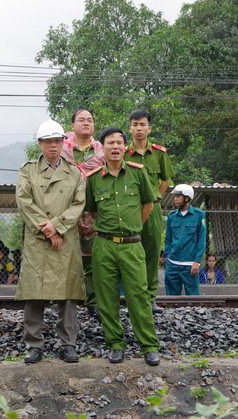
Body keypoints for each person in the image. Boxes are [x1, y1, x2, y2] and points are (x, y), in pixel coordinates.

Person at [85, 127, 160, 366]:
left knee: (138, 295)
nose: (115, 147)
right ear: (102, 148)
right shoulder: (94, 178)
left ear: (125, 147)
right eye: (110, 143)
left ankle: (148, 346)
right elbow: (93, 210)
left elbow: (148, 205)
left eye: (119, 143)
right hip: (104, 245)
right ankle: (115, 344)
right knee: (106, 298)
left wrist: (132, 226)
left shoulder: (138, 173)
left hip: (132, 246)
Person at [16, 119, 86, 364]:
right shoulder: (27, 170)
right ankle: (34, 344)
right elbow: (24, 202)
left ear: (63, 143)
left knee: (68, 294)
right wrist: (48, 229)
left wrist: (57, 226)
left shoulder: (74, 172)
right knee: (35, 293)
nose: (53, 146)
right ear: (40, 144)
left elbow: (79, 204)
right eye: (48, 141)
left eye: (57, 141)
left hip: (65, 239)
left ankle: (67, 344)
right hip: (38, 240)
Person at [124, 110, 175, 314]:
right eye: (135, 124)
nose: (138, 128)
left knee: (152, 253)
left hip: (152, 209)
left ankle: (150, 298)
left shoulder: (160, 153)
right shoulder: (123, 153)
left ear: (149, 128)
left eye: (142, 124)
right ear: (130, 127)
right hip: (129, 209)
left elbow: (166, 180)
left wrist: (155, 198)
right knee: (130, 254)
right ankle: (132, 299)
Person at [61, 108, 106, 315]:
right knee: (64, 259)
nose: (86, 123)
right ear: (72, 125)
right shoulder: (61, 149)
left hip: (93, 213)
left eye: (89, 120)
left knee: (92, 260)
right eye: (81, 120)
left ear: (94, 126)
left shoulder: (101, 151)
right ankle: (61, 303)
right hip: (66, 212)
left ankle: (93, 303)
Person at [164, 184, 207, 295]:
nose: (175, 199)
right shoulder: (171, 216)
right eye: (175, 196)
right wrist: (169, 258)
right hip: (172, 264)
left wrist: (197, 262)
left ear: (187, 198)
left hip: (190, 264)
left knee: (193, 299)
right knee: (171, 299)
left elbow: (201, 240)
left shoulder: (199, 215)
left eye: (178, 196)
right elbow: (168, 239)